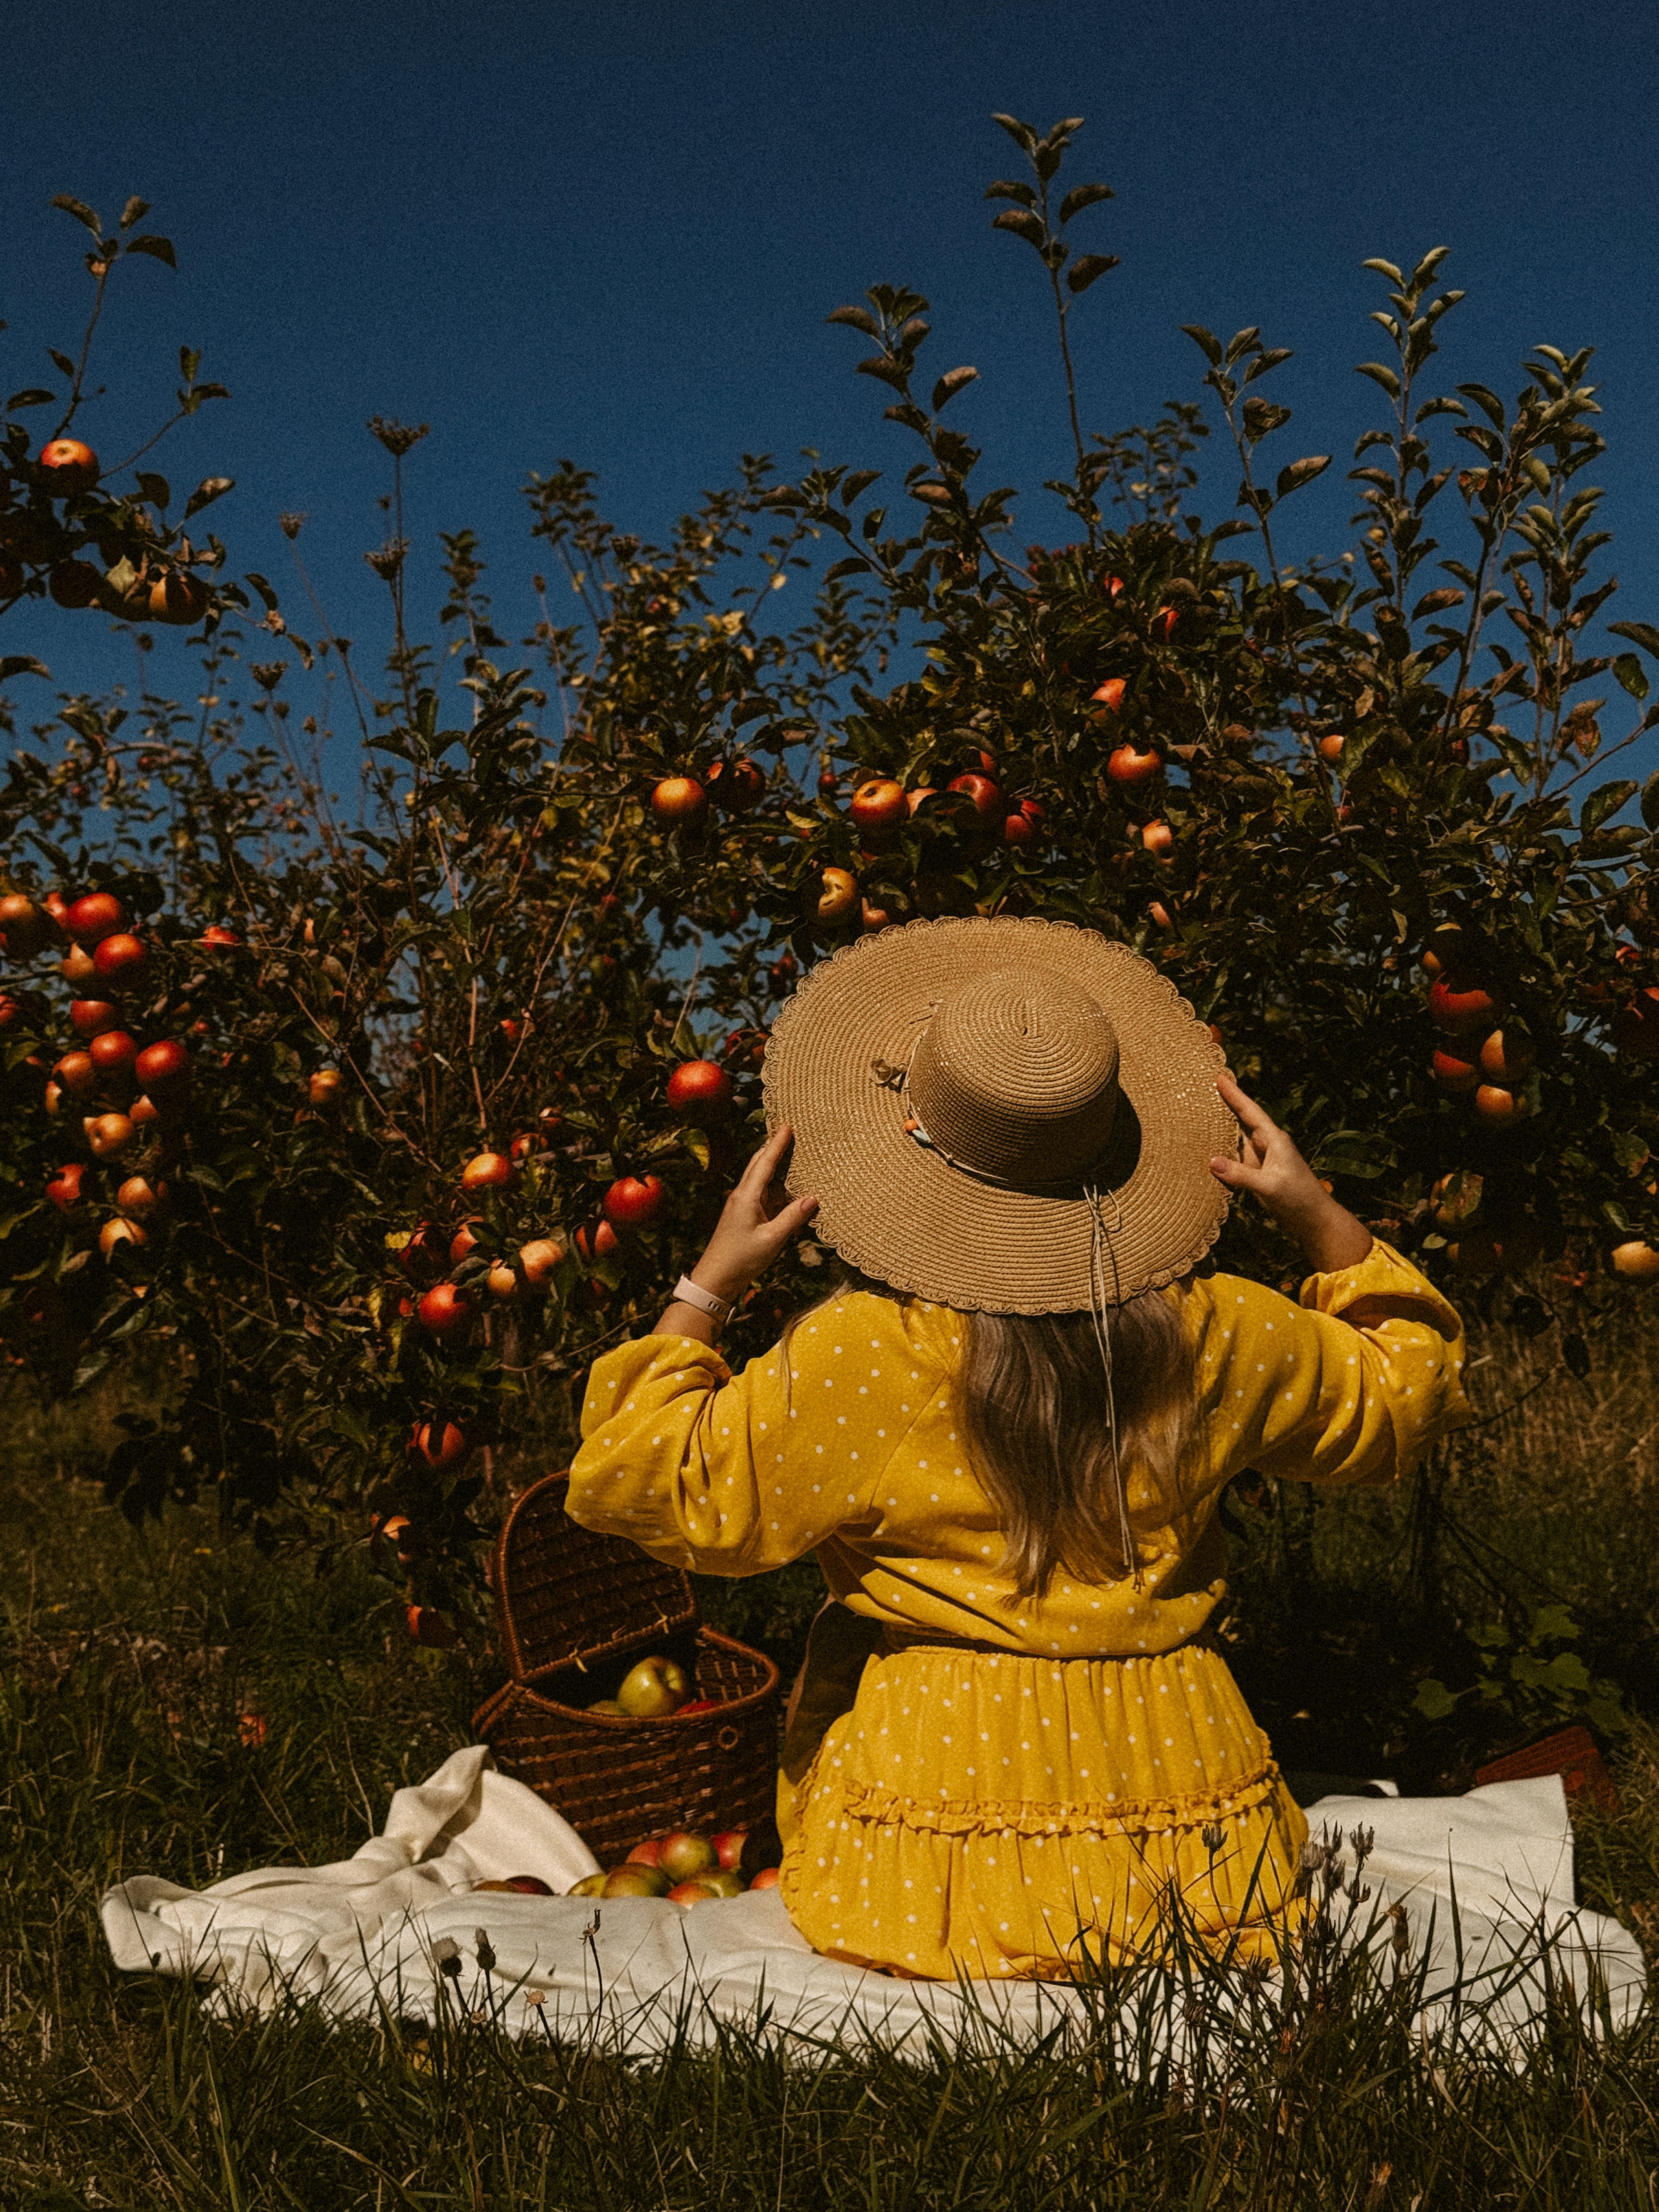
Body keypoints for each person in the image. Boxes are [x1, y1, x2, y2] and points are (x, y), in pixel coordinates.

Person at [566, 917, 1469, 1981]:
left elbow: (646, 1474)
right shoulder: (1221, 1331)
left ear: (909, 1130)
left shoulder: (869, 1355)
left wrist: (710, 1281)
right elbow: (1406, 1392)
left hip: (937, 1821)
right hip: (1192, 1836)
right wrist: (1318, 1216)